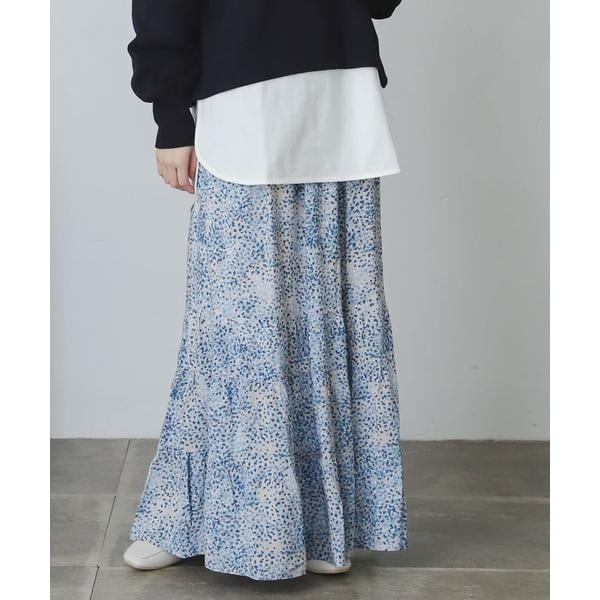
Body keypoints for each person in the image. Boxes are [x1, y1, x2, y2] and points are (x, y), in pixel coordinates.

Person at [123, 0, 408, 580]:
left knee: (331, 320)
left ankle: (321, 525)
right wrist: (171, 116)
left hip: (339, 94)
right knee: (235, 328)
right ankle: (190, 518)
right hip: (242, 94)